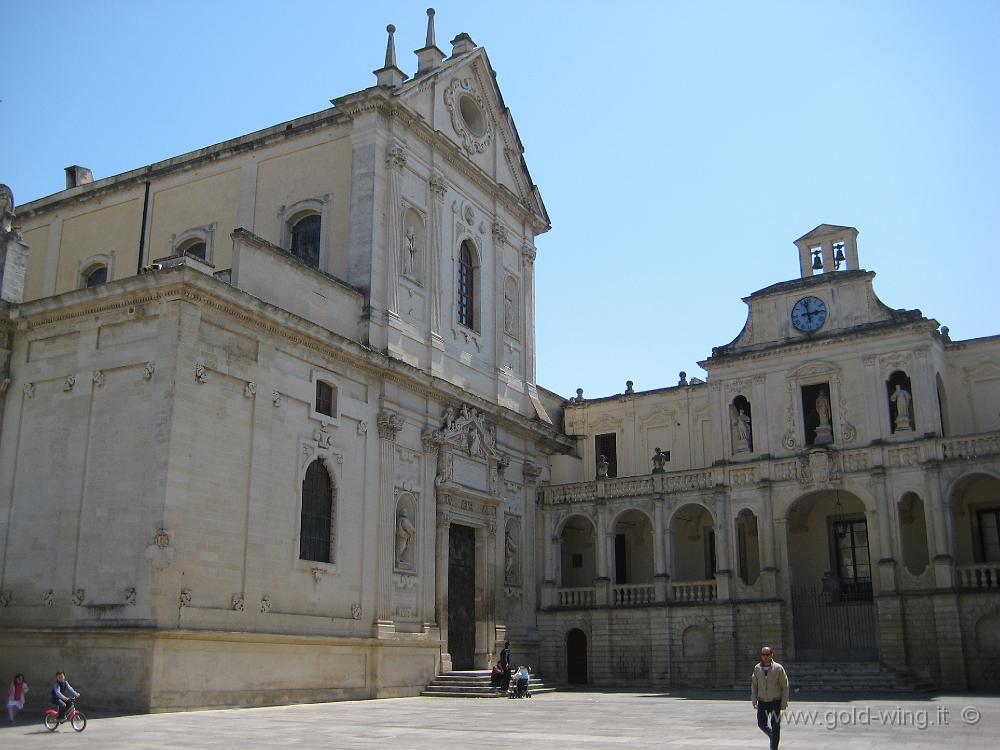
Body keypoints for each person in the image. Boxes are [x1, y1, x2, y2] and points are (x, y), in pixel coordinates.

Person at [751, 646, 788, 750]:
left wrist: (784, 702)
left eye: (767, 654)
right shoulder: (757, 668)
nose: (765, 657)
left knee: (775, 725)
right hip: (762, 701)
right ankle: (772, 736)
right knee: (761, 724)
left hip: (775, 700)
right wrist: (754, 700)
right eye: (763, 654)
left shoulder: (778, 668)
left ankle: (773, 747)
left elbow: (785, 686)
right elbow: (754, 685)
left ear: (772, 655)